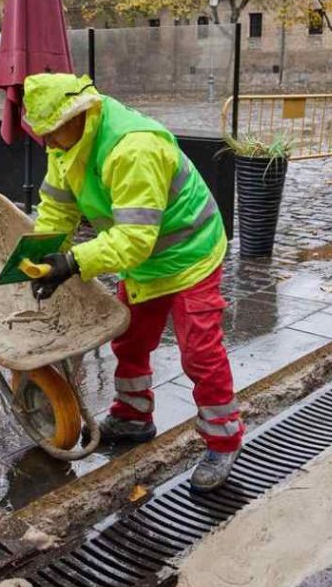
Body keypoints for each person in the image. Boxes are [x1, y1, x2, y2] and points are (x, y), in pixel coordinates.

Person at [20, 73, 245, 491]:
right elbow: (56, 207)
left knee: (199, 351)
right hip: (143, 260)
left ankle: (223, 439)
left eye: (51, 133)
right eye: (42, 134)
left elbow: (134, 240)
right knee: (130, 339)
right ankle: (132, 415)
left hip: (189, 253)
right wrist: (40, 257)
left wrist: (72, 262)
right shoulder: (67, 143)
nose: (47, 143)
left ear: (79, 115)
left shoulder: (132, 148)